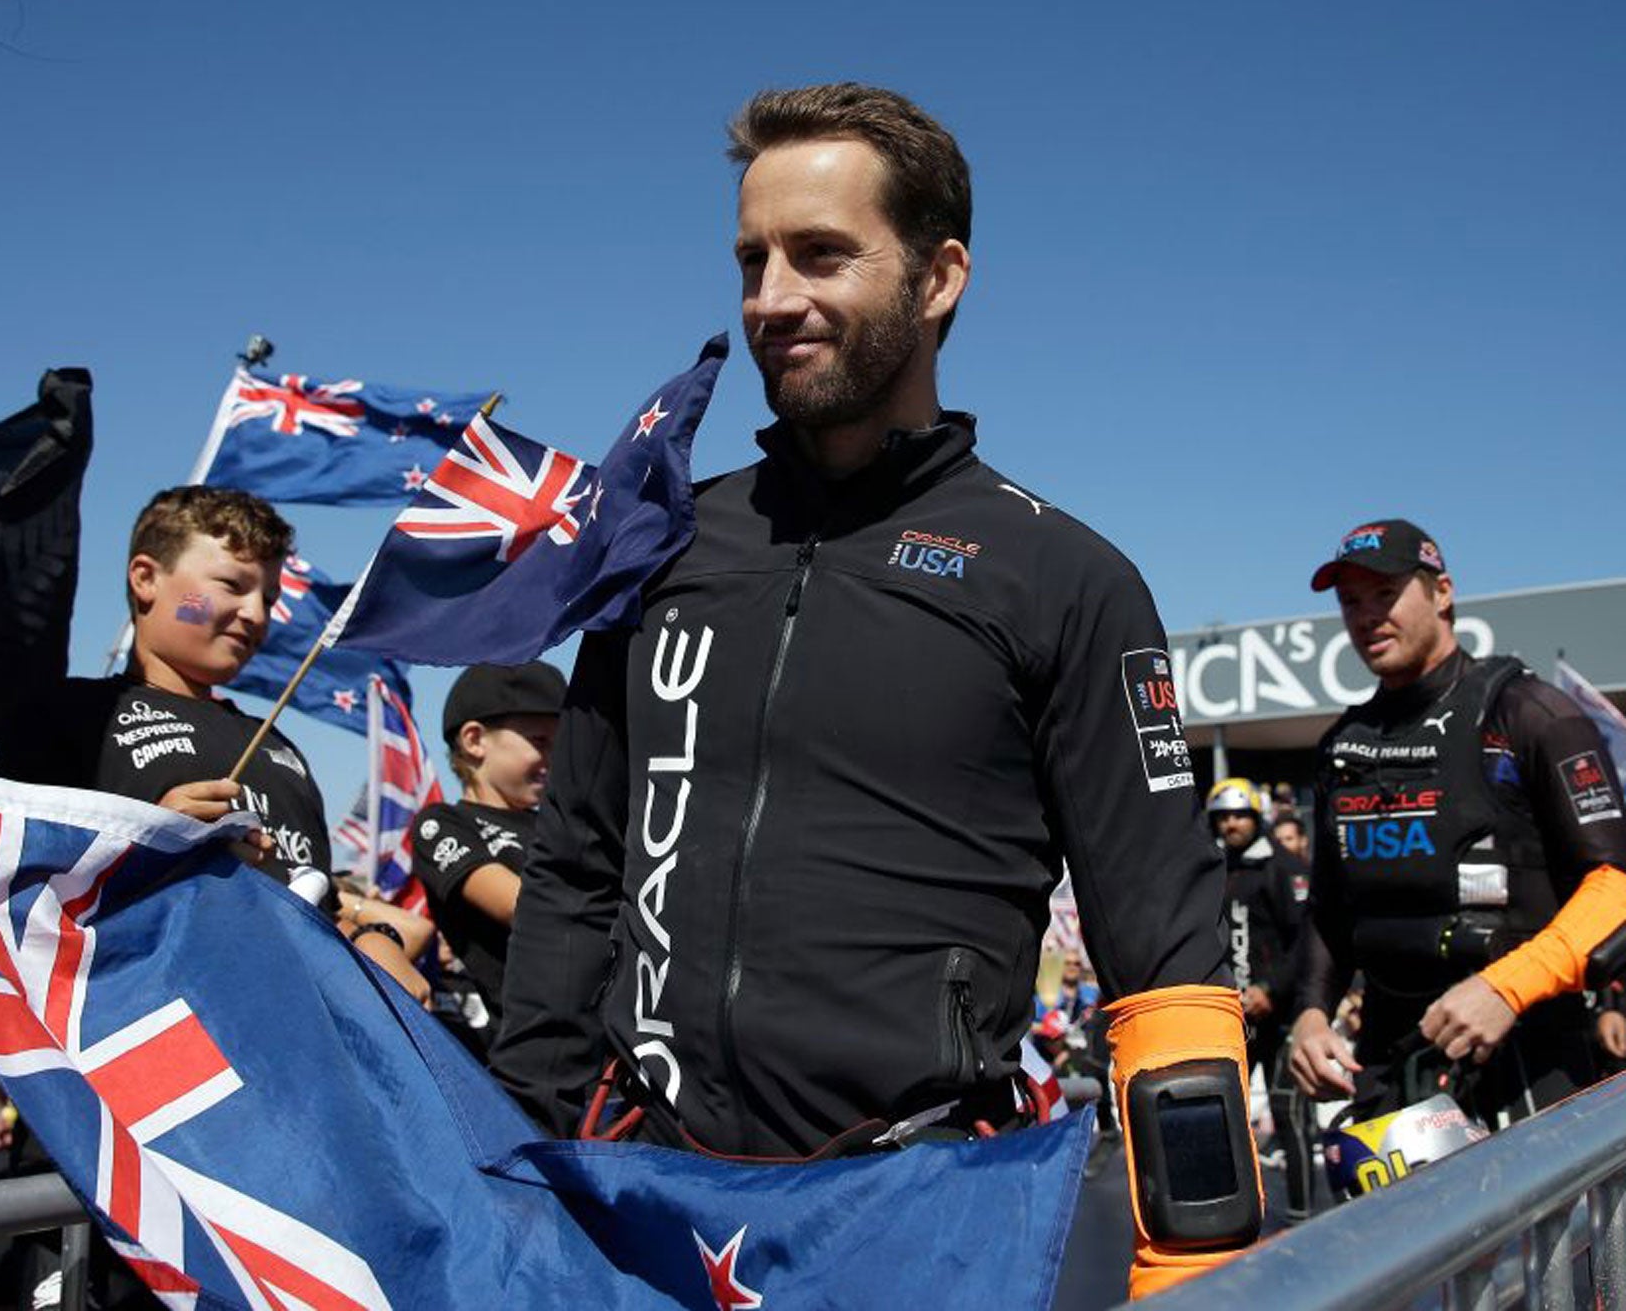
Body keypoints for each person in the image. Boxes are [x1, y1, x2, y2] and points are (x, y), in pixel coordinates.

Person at [494, 82, 1258, 1296]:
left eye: (820, 255)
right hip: (643, 1204)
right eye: (751, 260)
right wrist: (512, 1160)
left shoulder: (1062, 577)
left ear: (939, 277)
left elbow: (1162, 946)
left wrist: (1190, 1262)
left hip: (917, 1219)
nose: (771, 300)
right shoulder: (661, 545)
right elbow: (577, 866)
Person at [0, 486, 429, 1000]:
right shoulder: (66, 715)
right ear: (146, 578)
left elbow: (315, 909)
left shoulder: (280, 749)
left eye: (268, 597)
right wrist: (146, 848)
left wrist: (374, 939)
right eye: (231, 585)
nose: (257, 614)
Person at [1288, 519, 1626, 1129]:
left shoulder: (1531, 713)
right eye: (1350, 602)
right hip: (1394, 1067)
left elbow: (1616, 886)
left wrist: (1508, 987)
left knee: (1557, 1229)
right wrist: (1310, 1015)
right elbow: (1331, 909)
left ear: (1441, 592)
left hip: (1528, 1054)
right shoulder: (1343, 745)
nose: (1366, 617)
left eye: (1384, 594)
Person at [407, 661, 564, 1055]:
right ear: (475, 740)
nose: (556, 759)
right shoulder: (442, 823)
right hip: (522, 1048)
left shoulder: (559, 825)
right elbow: (525, 905)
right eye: (541, 742)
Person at [1207, 776, 1313, 1219]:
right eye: (1223, 817)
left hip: (1282, 1013)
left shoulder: (1284, 866)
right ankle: (1234, 1209)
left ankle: (1302, 1211)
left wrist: (1272, 989)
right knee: (1225, 1111)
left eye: (1238, 815)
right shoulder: (1216, 867)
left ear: (1255, 816)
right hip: (1234, 1015)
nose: (1231, 824)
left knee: (1289, 1113)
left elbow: (1306, 940)